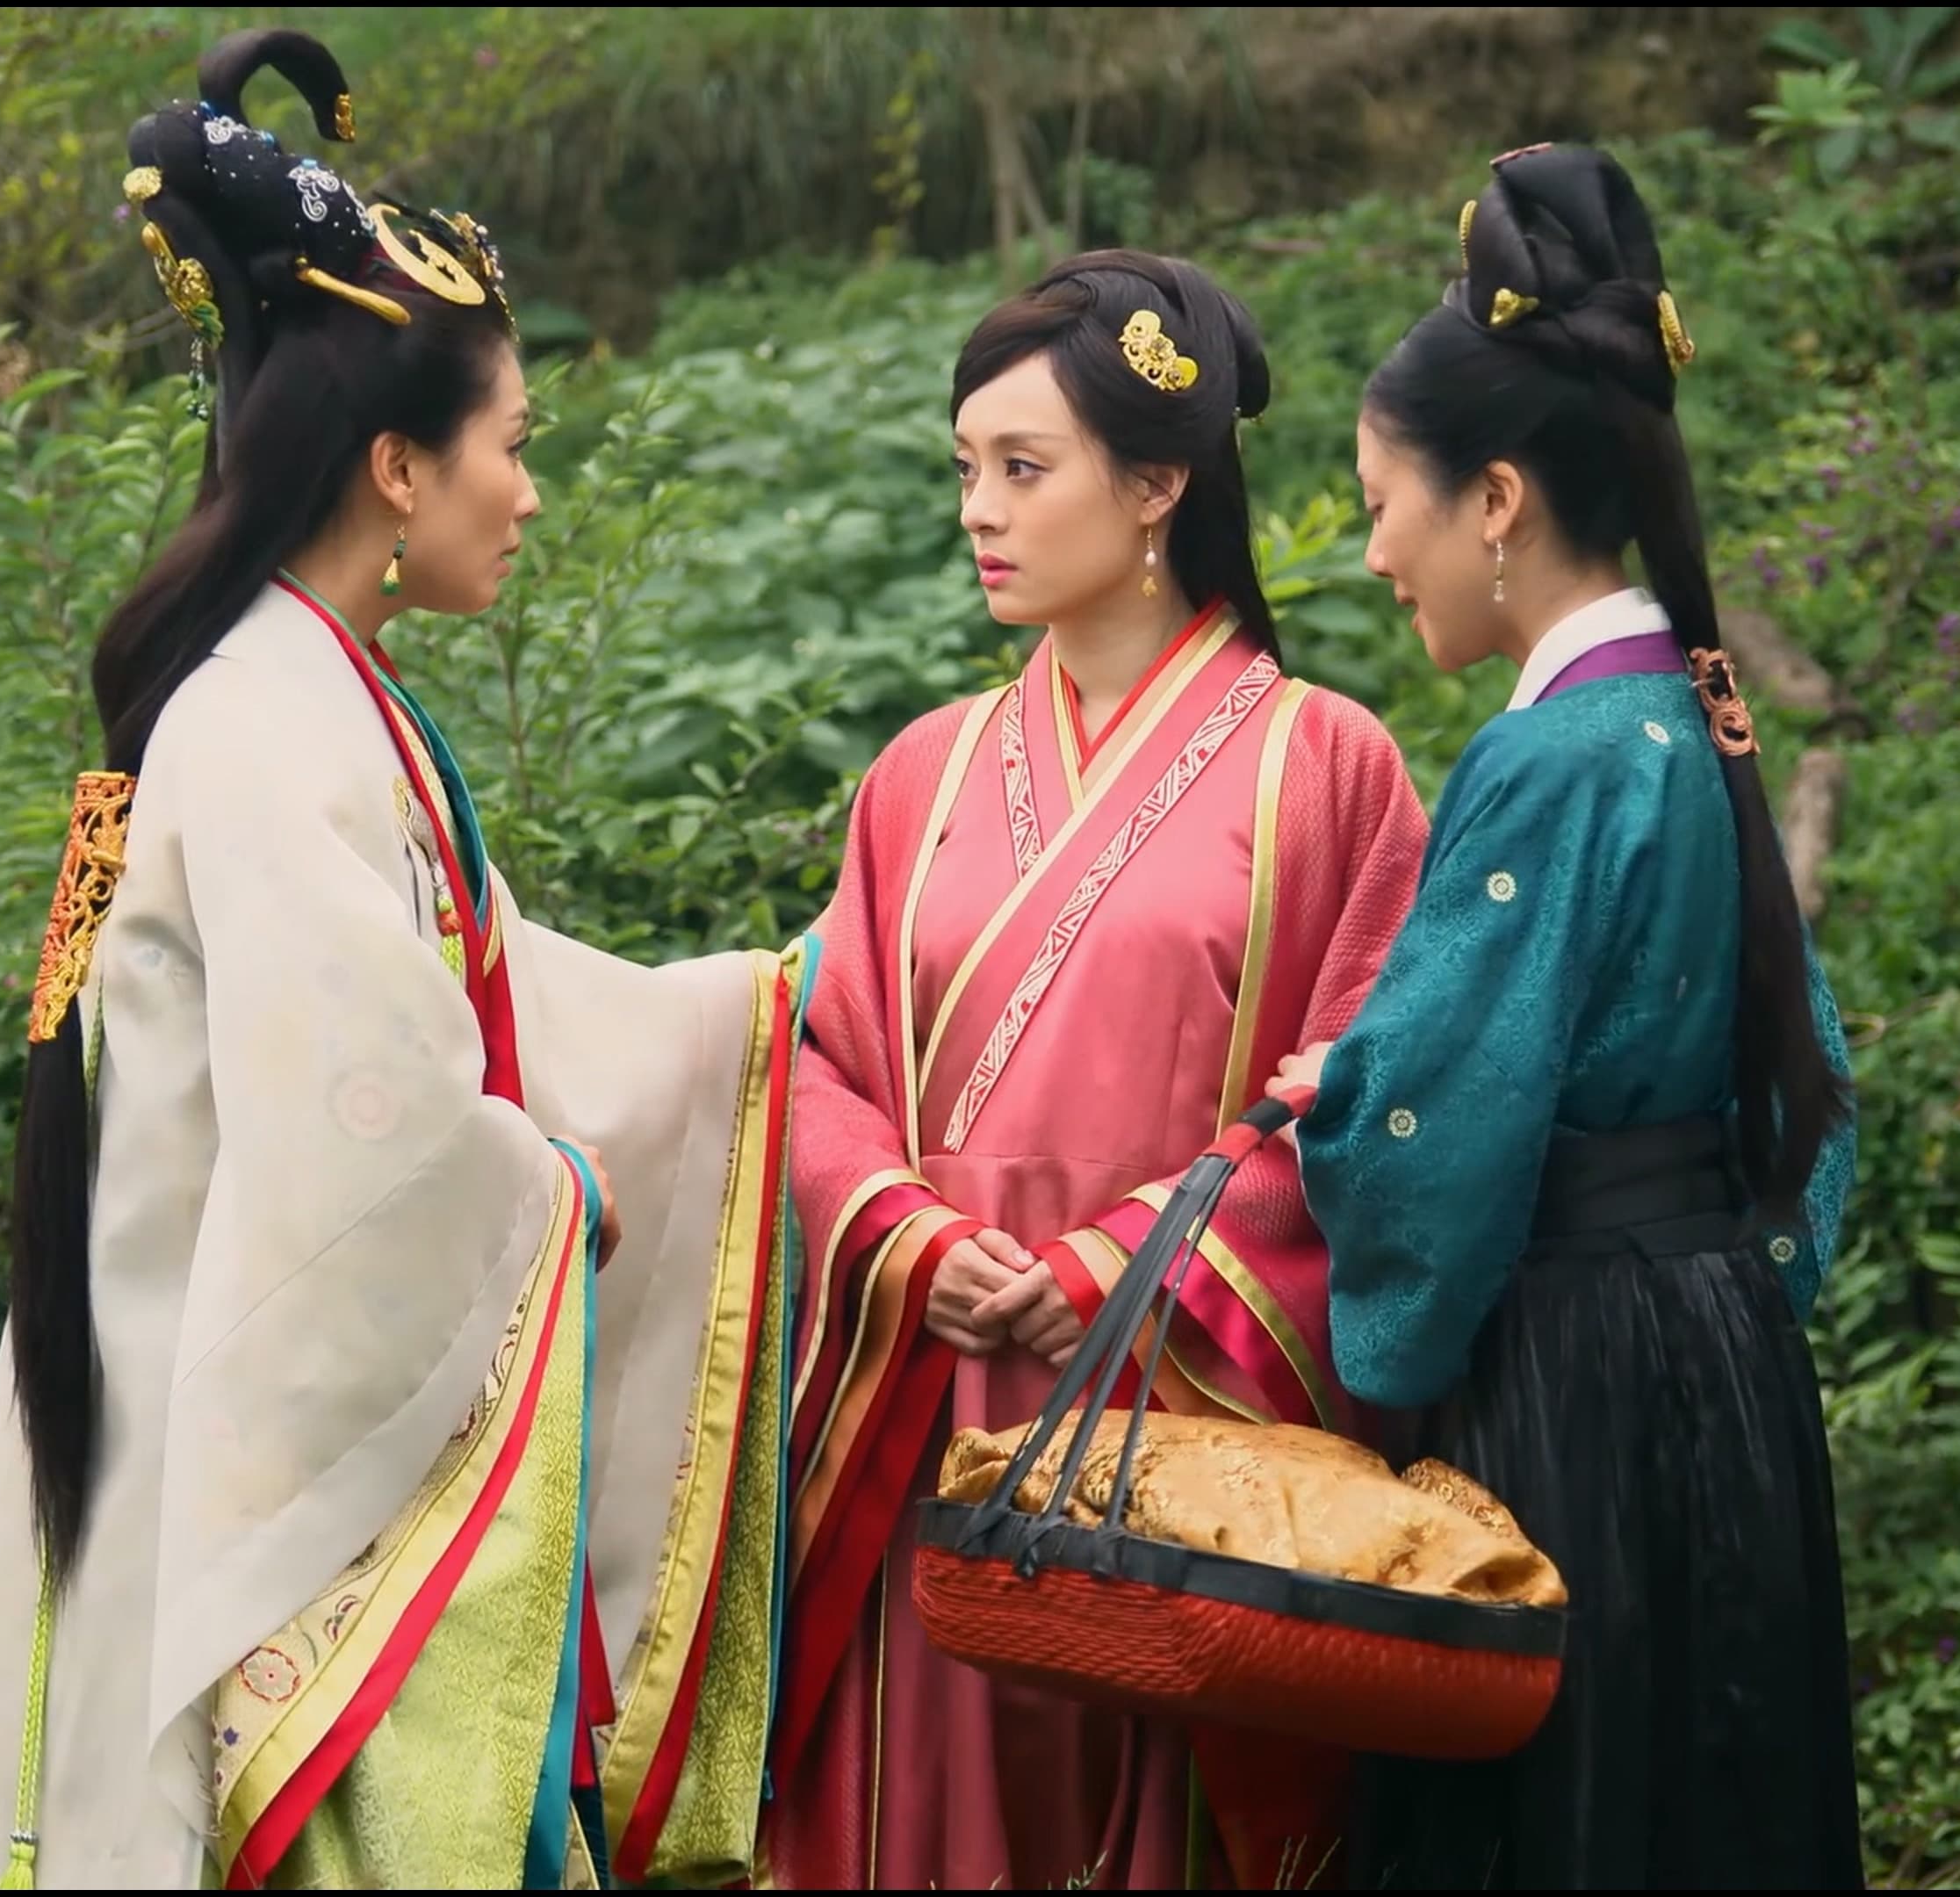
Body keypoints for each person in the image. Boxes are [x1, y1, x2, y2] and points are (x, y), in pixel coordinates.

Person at [0, 32, 811, 1890]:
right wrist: (555, 1186)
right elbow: (370, 1131)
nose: (527, 493)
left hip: (214, 1406)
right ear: (400, 465)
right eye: (512, 447)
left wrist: (759, 1015)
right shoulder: (267, 721)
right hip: (224, 1452)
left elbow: (483, 1002)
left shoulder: (297, 694)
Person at [762, 250, 1431, 1892]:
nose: (979, 513)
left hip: (1166, 1390)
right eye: (965, 470)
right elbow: (814, 1063)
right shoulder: (919, 775)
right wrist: (906, 1235)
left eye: (1022, 468)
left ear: (1155, 486)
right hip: (933, 1381)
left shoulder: (1325, 764)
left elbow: (1359, 1102)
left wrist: (1122, 1265)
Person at [1271, 143, 1864, 1888]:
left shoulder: (1552, 755)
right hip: (1725, 1360)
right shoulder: (1693, 713)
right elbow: (1806, 1079)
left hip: (1580, 1378)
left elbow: (1437, 1128)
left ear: (1498, 501)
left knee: (1569, 1825)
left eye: (1384, 501)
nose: (1376, 551)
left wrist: (1346, 1093)